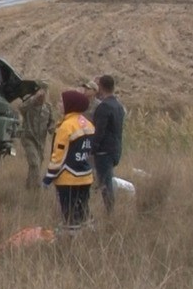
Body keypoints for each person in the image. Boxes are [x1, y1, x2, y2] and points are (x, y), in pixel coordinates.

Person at [44, 89, 96, 230]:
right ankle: (87, 236)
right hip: (86, 177)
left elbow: (59, 155)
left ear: (70, 104)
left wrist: (48, 177)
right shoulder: (88, 124)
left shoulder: (66, 126)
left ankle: (70, 241)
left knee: (70, 215)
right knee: (83, 211)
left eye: (61, 101)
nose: (58, 104)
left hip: (68, 178)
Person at [91, 75, 125, 215]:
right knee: (107, 180)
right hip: (115, 148)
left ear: (101, 87)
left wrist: (92, 148)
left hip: (103, 150)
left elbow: (99, 131)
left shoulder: (103, 107)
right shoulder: (118, 106)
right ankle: (108, 210)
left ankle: (109, 212)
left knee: (106, 183)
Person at [16, 82, 56, 190]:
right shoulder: (29, 104)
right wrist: (33, 98)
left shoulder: (48, 107)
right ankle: (37, 188)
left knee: (36, 165)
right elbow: (21, 108)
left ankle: (29, 188)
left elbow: (52, 122)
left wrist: (52, 128)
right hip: (28, 138)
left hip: (40, 141)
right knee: (34, 163)